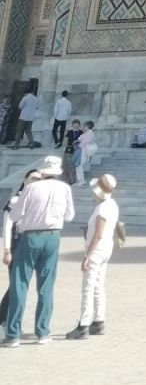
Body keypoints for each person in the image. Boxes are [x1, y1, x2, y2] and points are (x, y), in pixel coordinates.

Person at [3, 154, 75, 345]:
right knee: (46, 285)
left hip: (31, 236)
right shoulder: (65, 188)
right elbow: (69, 215)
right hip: (53, 236)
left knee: (20, 282)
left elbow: (16, 213)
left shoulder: (33, 187)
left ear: (43, 171)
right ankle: (42, 331)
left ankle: (13, 333)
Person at [65, 174, 119, 340]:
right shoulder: (112, 204)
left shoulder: (102, 208)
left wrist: (87, 255)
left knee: (88, 287)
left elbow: (98, 234)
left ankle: (84, 325)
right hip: (106, 249)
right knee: (98, 285)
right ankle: (99, 320)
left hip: (97, 250)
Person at [0, 166, 42, 322]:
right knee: (16, 286)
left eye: (39, 180)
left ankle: (9, 320)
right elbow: (7, 225)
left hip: (30, 247)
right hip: (16, 247)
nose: (35, 182)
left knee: (21, 286)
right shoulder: (15, 200)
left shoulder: (37, 201)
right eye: (33, 179)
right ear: (25, 179)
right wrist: (6, 250)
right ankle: (4, 319)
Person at [14, 85, 39, 150]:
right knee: (28, 131)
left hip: (23, 117)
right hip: (30, 118)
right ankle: (32, 143)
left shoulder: (25, 98)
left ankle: (16, 145)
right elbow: (37, 107)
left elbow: (20, 106)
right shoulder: (36, 98)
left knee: (19, 131)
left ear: (26, 93)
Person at [63, 120, 83, 186]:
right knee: (68, 165)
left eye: (77, 126)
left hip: (77, 150)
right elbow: (66, 139)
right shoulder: (70, 132)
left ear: (79, 126)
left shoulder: (81, 132)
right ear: (72, 125)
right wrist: (66, 145)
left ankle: (74, 180)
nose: (75, 127)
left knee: (75, 166)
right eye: (74, 125)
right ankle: (70, 180)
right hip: (69, 149)